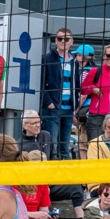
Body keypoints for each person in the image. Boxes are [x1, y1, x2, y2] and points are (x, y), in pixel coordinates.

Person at [40, 27, 78, 160]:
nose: (63, 41)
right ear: (55, 40)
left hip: (68, 109)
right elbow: (40, 82)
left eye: (66, 39)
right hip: (52, 108)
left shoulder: (74, 61)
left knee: (65, 146)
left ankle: (65, 173)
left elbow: (76, 85)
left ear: (71, 41)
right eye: (60, 38)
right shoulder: (47, 58)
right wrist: (48, 102)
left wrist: (75, 106)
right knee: (52, 146)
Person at [80, 44, 110, 142]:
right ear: (103, 56)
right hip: (96, 116)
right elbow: (83, 89)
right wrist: (93, 88)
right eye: (108, 55)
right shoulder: (95, 71)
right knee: (95, 146)